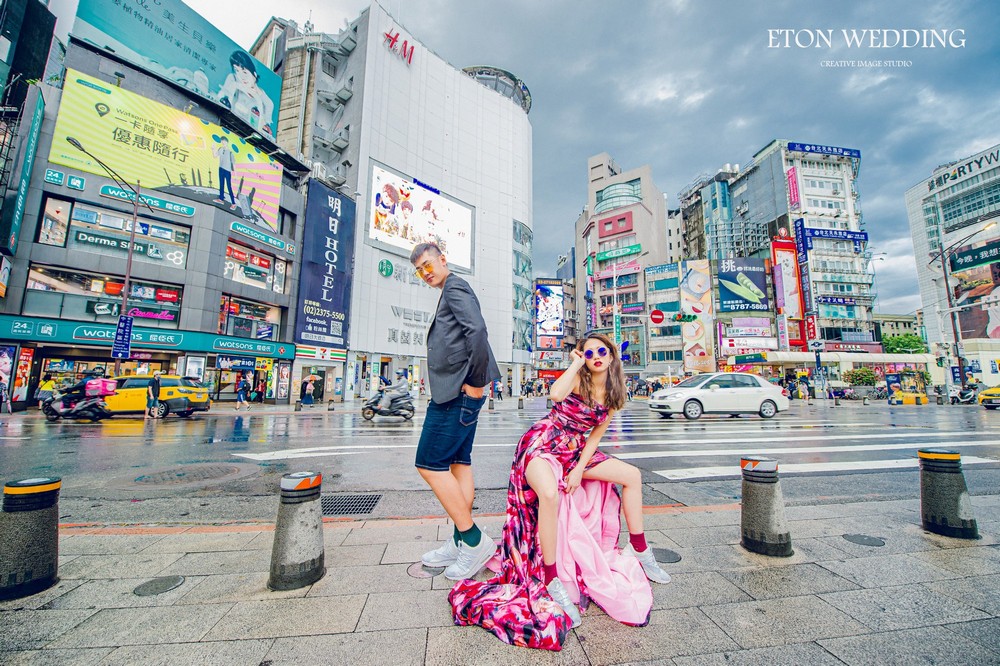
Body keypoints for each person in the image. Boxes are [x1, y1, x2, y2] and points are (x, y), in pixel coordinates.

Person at [450, 332, 670, 650]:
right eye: (588, 351)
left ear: (611, 356)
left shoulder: (612, 393)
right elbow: (554, 394)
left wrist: (580, 468)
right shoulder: (577, 379)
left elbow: (595, 436)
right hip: (543, 444)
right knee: (550, 495)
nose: (595, 355)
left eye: (601, 351)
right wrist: (576, 363)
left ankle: (640, 550)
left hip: (576, 452)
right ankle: (552, 579)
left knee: (632, 476)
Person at [411, 241, 501, 580]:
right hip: (458, 392)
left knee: (429, 464)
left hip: (457, 393)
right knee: (458, 464)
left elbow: (477, 331)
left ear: (442, 259)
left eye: (428, 264)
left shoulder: (455, 286)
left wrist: (476, 381)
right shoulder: (448, 290)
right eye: (419, 270)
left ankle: (474, 541)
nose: (425, 272)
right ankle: (459, 540)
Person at [216, 51, 274, 137]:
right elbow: (221, 99)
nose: (241, 76)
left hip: (247, 137)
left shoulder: (267, 103)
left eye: (245, 72)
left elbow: (265, 129)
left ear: (254, 74)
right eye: (237, 70)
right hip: (226, 126)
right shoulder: (233, 79)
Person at [212, 136, 238, 210]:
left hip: (227, 171)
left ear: (227, 142)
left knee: (229, 187)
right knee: (221, 184)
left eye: (224, 141)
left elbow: (234, 164)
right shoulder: (220, 149)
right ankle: (221, 199)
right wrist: (213, 149)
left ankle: (233, 203)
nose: (223, 142)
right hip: (221, 169)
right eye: (222, 141)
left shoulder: (230, 153)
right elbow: (215, 156)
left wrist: (236, 175)